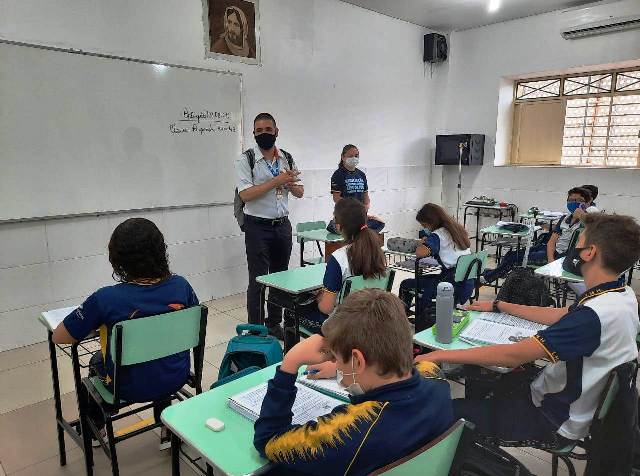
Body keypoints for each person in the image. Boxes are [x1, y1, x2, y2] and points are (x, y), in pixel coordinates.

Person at [416, 213, 640, 447]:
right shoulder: (620, 296)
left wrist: (439, 355)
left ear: (589, 252)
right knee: (483, 378)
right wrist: (500, 305)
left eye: (578, 242)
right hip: (570, 402)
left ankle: (468, 450)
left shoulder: (591, 317)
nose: (572, 249)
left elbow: (511, 356)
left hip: (552, 418)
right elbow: (559, 314)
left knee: (450, 411)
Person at [254, 289, 453, 475]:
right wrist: (340, 364)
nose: (336, 364)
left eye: (336, 359)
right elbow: (418, 366)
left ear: (358, 361)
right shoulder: (436, 379)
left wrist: (290, 362)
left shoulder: (348, 433)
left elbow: (269, 440)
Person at [52, 218, 199, 445]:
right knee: (160, 352)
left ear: (118, 259)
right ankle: (167, 428)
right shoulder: (182, 286)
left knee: (96, 361)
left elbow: (59, 337)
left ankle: (96, 427)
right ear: (160, 251)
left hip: (127, 387)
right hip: (176, 376)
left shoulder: (106, 299)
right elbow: (194, 321)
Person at [235, 112, 304, 338]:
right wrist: (276, 181)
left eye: (268, 130)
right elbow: (245, 195)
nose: (264, 134)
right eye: (259, 131)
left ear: (276, 131)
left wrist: (290, 183)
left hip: (282, 226)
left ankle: (274, 324)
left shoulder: (287, 158)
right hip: (257, 227)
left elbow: (300, 192)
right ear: (254, 134)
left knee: (279, 278)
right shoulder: (246, 160)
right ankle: (256, 330)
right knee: (258, 280)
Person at [299, 198, 387, 333]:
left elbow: (326, 308)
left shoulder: (338, 258)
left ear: (339, 227)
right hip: (371, 319)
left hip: (343, 327)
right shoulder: (378, 252)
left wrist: (320, 297)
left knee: (293, 311)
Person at [482, 187, 591, 284]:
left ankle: (489, 277)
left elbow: (592, 231)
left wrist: (582, 217)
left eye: (578, 200)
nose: (574, 203)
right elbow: (552, 241)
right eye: (571, 200)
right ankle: (498, 272)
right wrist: (550, 259)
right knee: (511, 253)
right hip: (551, 252)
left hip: (564, 257)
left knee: (515, 258)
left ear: (586, 204)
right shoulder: (564, 218)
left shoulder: (589, 221)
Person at [398, 203, 474, 313]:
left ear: (432, 222)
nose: (425, 229)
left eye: (425, 226)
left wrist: (423, 243)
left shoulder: (438, 235)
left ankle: (404, 315)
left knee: (406, 284)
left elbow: (420, 253)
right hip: (465, 283)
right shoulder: (457, 229)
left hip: (450, 284)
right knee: (424, 279)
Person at [330, 144, 370, 210]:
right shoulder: (338, 174)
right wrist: (352, 208)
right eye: (350, 156)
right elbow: (336, 198)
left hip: (360, 212)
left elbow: (365, 195)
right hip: (345, 212)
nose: (354, 158)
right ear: (343, 157)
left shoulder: (361, 174)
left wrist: (366, 206)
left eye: (356, 156)